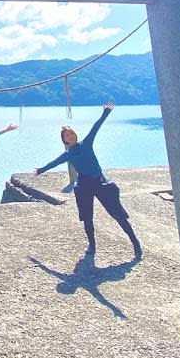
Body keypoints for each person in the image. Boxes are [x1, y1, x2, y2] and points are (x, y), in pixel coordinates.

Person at [34, 102, 142, 258]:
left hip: (100, 182)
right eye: (67, 135)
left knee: (117, 214)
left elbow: (96, 127)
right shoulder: (68, 154)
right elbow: (54, 163)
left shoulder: (86, 143)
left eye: (72, 133)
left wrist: (105, 113)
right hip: (84, 185)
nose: (71, 136)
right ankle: (92, 245)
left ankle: (136, 244)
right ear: (64, 140)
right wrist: (40, 171)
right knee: (87, 217)